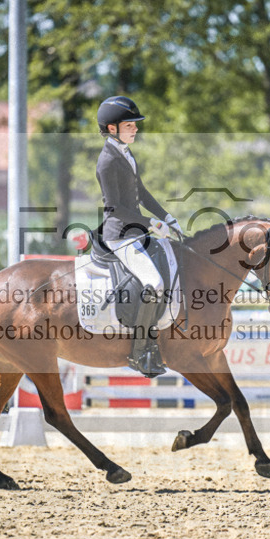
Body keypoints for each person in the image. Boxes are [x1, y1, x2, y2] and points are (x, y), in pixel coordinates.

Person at [95, 95, 183, 377]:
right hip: (119, 235)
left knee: (170, 267)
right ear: (112, 128)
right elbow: (114, 208)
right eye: (129, 125)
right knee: (154, 283)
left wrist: (167, 217)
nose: (135, 129)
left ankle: (154, 343)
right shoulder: (107, 162)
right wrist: (150, 222)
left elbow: (141, 193)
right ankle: (139, 351)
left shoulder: (125, 153)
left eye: (135, 124)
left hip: (136, 230)